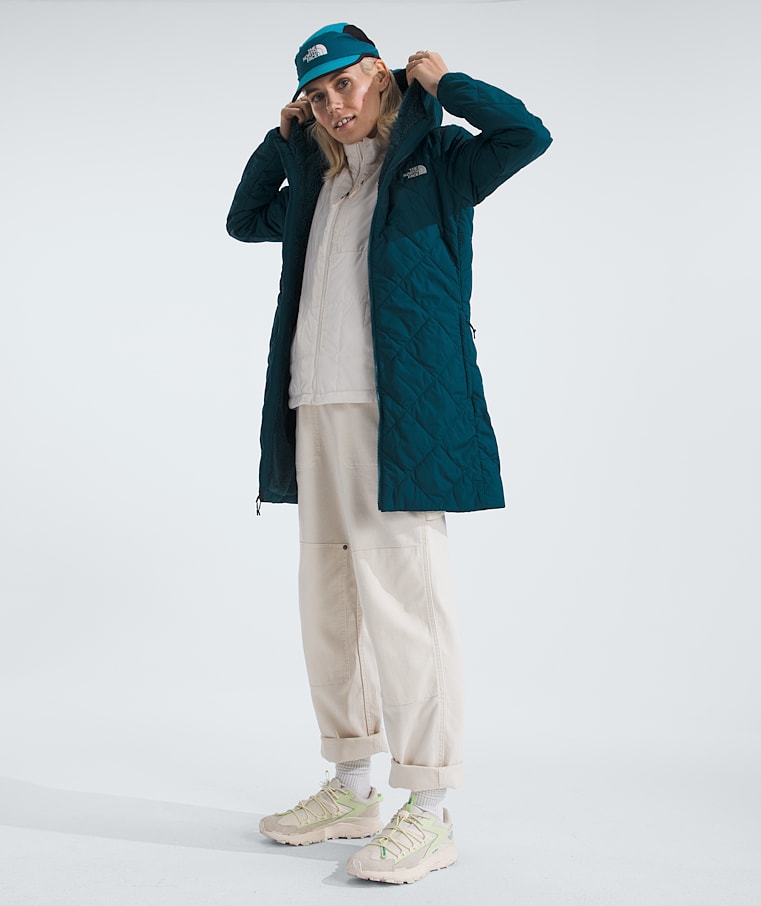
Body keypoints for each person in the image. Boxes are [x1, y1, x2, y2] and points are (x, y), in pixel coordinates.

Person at [226, 22, 551, 884]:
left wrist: (446, 85)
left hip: (398, 416)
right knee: (329, 608)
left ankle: (431, 807)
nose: (334, 104)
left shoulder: (440, 162)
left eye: (345, 84)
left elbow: (527, 136)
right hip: (314, 408)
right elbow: (242, 219)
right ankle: (351, 785)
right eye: (316, 95)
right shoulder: (317, 185)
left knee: (409, 607)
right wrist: (282, 139)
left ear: (380, 75)